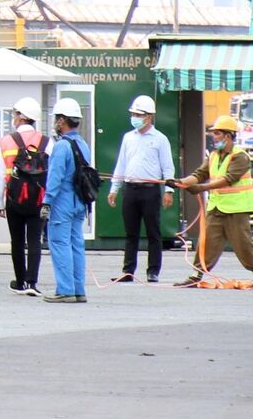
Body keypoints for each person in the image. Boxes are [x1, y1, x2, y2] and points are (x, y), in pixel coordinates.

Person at [172, 115, 253, 282]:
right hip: (216, 208)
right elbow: (199, 175)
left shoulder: (240, 157)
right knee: (206, 243)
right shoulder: (214, 156)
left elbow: (228, 179)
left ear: (228, 135)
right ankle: (196, 275)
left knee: (244, 248)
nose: (213, 137)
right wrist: (180, 182)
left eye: (217, 133)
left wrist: (200, 188)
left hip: (236, 210)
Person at [107, 94, 174, 284]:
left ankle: (153, 271)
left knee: (153, 232)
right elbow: (121, 164)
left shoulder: (160, 139)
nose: (134, 117)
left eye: (138, 114)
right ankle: (128, 270)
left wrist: (169, 191)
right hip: (131, 189)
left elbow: (167, 167)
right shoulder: (128, 138)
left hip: (150, 190)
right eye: (133, 114)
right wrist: (115, 188)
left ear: (148, 116)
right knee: (131, 233)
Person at [0, 97, 49, 296]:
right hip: (38, 199)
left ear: (21, 117)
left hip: (14, 198)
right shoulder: (46, 142)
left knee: (17, 241)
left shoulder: (6, 141)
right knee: (34, 240)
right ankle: (32, 282)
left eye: (15, 113)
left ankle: (19, 281)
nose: (14, 117)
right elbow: (50, 173)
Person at [43, 97, 92, 303]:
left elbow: (55, 178)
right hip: (80, 202)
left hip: (62, 202)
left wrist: (47, 202)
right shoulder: (83, 144)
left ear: (62, 120)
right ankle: (78, 289)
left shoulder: (62, 146)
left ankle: (65, 289)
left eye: (57, 118)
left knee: (59, 243)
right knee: (76, 244)